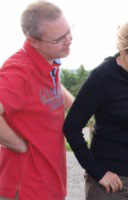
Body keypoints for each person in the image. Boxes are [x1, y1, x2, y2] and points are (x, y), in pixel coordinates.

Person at [63, 18, 128, 200]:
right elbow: (71, 127)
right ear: (123, 52)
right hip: (109, 181)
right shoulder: (103, 77)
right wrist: (98, 172)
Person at [0, 1, 74, 199]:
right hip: (26, 188)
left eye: (68, 31)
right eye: (59, 38)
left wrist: (74, 105)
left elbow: (51, 82)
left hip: (50, 182)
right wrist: (17, 144)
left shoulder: (49, 58)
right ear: (33, 41)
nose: (69, 40)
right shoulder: (19, 71)